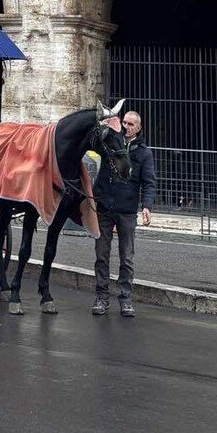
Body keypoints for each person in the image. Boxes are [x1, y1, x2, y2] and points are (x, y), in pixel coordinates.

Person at [92, 107, 155, 318]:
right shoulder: (110, 142)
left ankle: (126, 299)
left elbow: (149, 182)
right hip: (105, 206)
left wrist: (147, 206)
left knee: (126, 258)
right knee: (101, 255)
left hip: (127, 210)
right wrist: (103, 126)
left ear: (138, 128)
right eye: (124, 123)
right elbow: (93, 142)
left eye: (130, 124)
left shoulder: (144, 152)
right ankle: (101, 298)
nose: (126, 127)